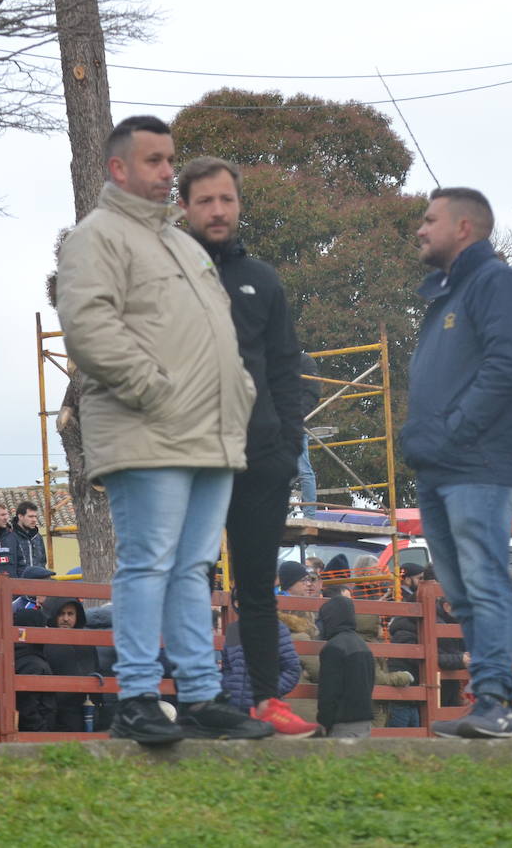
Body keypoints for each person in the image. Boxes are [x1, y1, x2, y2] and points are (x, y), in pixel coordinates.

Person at [54, 117, 269, 744]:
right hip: (147, 428)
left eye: (169, 159)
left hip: (209, 431)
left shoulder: (180, 243)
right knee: (148, 564)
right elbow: (90, 328)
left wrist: (240, 395)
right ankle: (138, 696)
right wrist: (153, 390)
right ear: (118, 168)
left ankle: (200, 695)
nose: (167, 170)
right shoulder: (95, 238)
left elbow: (219, 337)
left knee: (193, 567)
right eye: (153, 160)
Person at [176, 156, 317, 738]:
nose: (216, 210)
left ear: (238, 205)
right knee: (189, 576)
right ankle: (192, 699)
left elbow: (287, 366)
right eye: (204, 200)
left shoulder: (262, 278)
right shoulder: (168, 274)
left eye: (226, 199)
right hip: (190, 456)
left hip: (260, 458)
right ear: (183, 206)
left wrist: (287, 443)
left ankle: (265, 701)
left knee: (257, 587)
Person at [400, 186, 512, 739]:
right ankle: (490, 703)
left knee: (484, 582)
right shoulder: (447, 296)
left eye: (430, 219)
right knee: (462, 591)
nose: (420, 229)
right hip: (439, 468)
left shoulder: (495, 282)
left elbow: (506, 367)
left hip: (477, 464)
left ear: (464, 228)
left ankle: (498, 701)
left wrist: (453, 432)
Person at [316, 596, 375, 738]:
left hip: (341, 724)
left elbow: (328, 691)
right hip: (364, 721)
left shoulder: (333, 647)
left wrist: (324, 721)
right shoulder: (363, 645)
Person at [41, 593, 100, 733]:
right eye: (61, 613)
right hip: (58, 716)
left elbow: (97, 671)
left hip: (88, 712)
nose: (66, 619)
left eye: (70, 614)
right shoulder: (44, 643)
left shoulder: (87, 642)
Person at [297, 351, 321, 517]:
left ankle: (310, 515)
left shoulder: (304, 361)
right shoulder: (272, 360)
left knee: (303, 470)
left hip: (294, 424)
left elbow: (313, 391)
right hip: (272, 424)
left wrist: (298, 414)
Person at [11, 501, 46, 572]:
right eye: (30, 516)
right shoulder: (10, 537)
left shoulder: (38, 537)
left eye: (35, 516)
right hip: (18, 581)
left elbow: (43, 562)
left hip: (37, 580)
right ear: (20, 516)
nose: (34, 520)